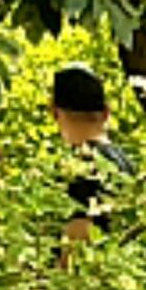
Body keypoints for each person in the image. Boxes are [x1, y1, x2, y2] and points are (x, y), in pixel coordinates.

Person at [54, 64, 116, 238]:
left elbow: (78, 239)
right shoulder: (126, 163)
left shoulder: (80, 167)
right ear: (106, 112)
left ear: (54, 111)